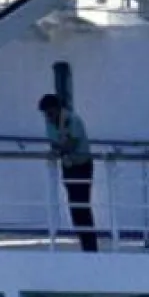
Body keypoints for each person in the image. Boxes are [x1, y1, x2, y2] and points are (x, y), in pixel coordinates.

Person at [38, 94, 99, 252]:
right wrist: (58, 149)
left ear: (57, 109)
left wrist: (58, 149)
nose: (48, 116)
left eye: (49, 112)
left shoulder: (73, 120)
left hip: (82, 166)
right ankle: (84, 243)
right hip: (68, 167)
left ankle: (90, 246)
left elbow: (71, 144)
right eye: (46, 113)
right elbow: (55, 144)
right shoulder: (50, 123)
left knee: (82, 205)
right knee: (74, 207)